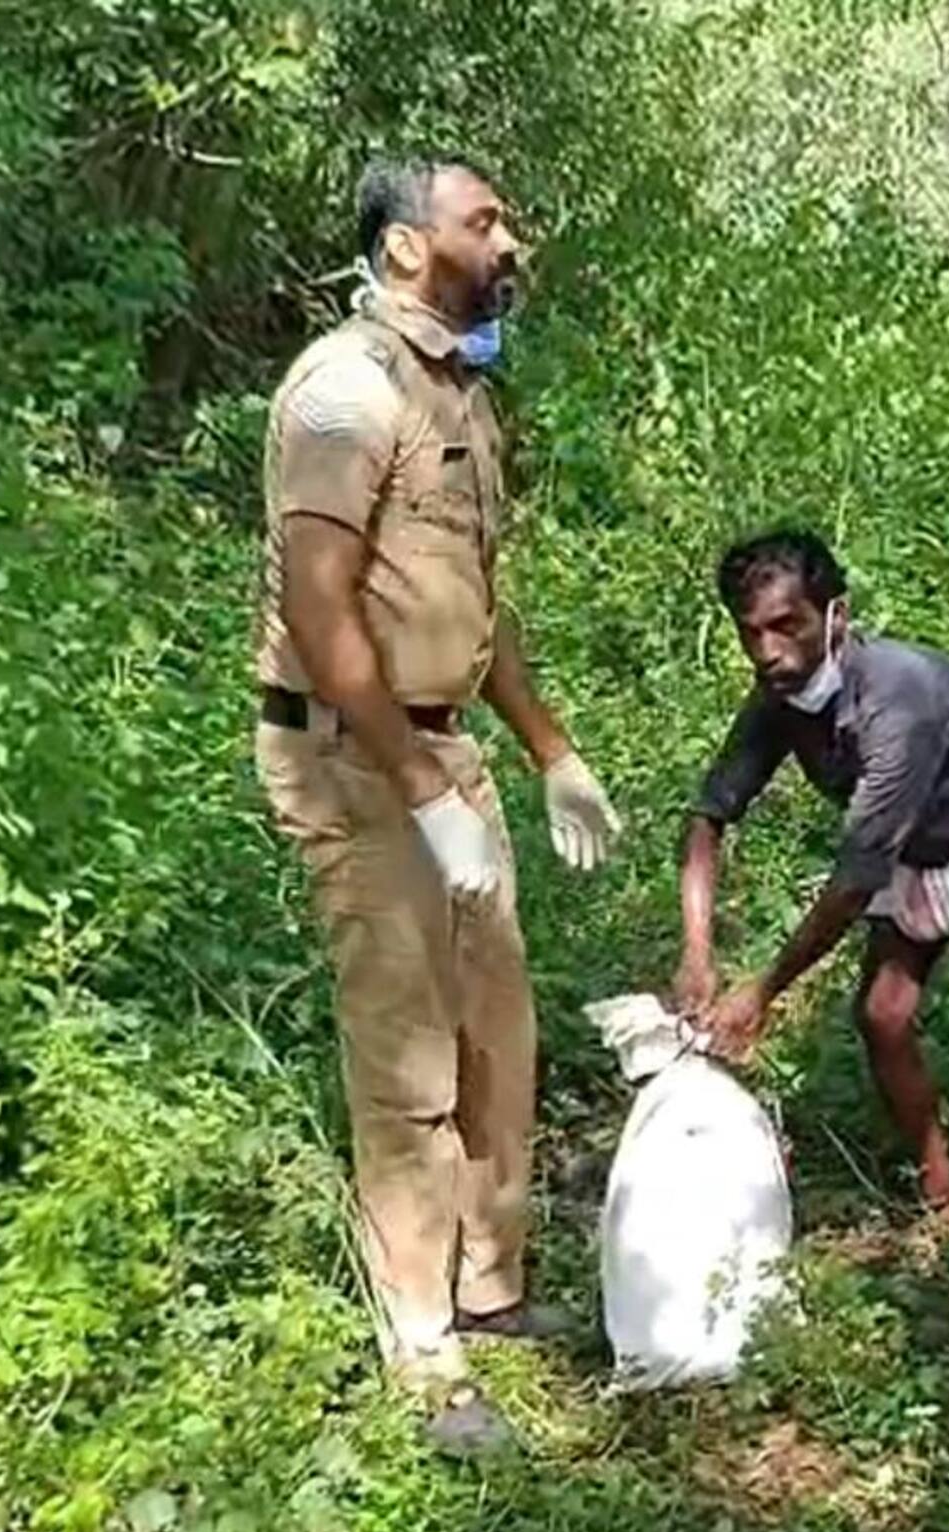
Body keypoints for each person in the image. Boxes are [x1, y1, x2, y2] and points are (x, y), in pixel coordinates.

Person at [253, 155, 623, 1455]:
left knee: (494, 1032)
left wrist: (547, 752)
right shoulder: (345, 394)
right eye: (485, 221)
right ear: (411, 248)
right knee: (406, 1060)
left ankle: (488, 1287)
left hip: (439, 750)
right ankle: (422, 1352)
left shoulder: (457, 390)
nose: (511, 239)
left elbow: (471, 598)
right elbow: (320, 607)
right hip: (356, 761)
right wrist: (417, 786)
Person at [676, 530, 949, 1356]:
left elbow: (857, 875)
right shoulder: (777, 705)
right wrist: (697, 951)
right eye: (750, 631)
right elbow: (708, 815)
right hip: (919, 849)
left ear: (836, 616)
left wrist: (762, 988)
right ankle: (942, 1195)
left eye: (787, 625)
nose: (769, 650)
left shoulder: (901, 700)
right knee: (883, 1015)